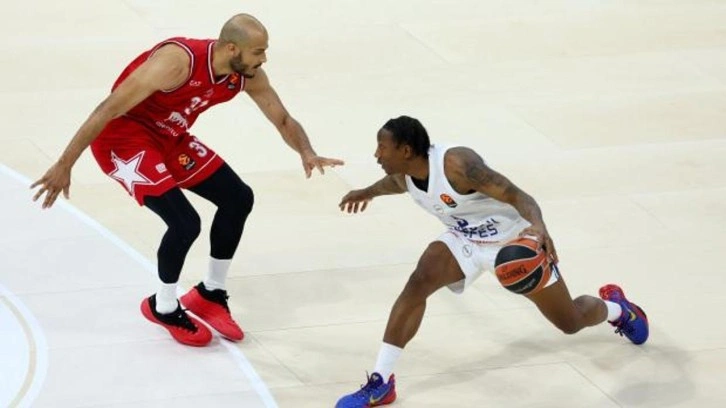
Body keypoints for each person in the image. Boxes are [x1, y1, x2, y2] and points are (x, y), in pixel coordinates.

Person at [30, 14, 344, 347]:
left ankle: (210, 293)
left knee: (238, 198)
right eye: (258, 51)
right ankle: (163, 306)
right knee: (184, 223)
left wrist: (306, 151)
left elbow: (282, 118)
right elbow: (107, 109)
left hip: (170, 137)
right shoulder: (177, 62)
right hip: (123, 140)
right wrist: (64, 164)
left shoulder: (245, 75)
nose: (264, 59)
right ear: (232, 48)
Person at [335, 115, 648, 407]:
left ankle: (620, 310)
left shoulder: (459, 165)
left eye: (382, 147)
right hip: (465, 240)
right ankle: (381, 382)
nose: (376, 155)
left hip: (513, 244)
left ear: (405, 150)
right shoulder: (405, 176)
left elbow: (518, 196)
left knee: (570, 322)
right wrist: (366, 192)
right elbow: (392, 185)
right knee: (418, 282)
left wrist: (539, 227)